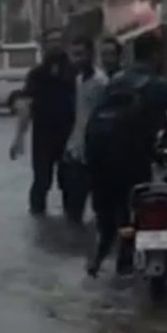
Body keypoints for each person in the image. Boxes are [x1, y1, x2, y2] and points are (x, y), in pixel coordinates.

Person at [84, 32, 167, 276]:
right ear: (157, 55)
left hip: (95, 150)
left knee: (109, 214)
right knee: (139, 203)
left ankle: (100, 261)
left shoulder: (116, 81)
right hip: (128, 153)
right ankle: (130, 261)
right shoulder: (160, 85)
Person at [11, 29, 80, 216]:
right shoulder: (37, 74)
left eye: (58, 40)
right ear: (45, 45)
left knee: (70, 182)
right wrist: (19, 138)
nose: (55, 44)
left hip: (69, 134)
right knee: (41, 181)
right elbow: (26, 104)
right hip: (43, 134)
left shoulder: (74, 72)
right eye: (51, 41)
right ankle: (38, 219)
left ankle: (72, 219)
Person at [59, 35, 108, 224]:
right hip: (76, 150)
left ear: (91, 54)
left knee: (99, 207)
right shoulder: (79, 80)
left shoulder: (101, 82)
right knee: (73, 208)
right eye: (74, 55)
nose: (77, 59)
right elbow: (79, 116)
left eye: (81, 54)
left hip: (95, 151)